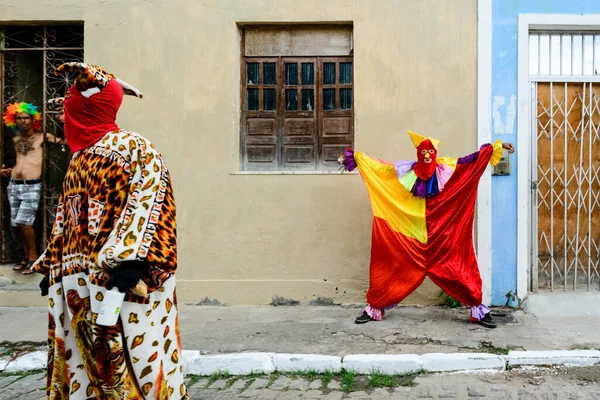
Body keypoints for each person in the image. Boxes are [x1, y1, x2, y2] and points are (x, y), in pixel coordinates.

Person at [30, 62, 187, 399]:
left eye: (70, 101)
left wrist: (130, 266)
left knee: (135, 360)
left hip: (122, 282)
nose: (64, 109)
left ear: (86, 105)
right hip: (78, 282)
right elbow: (68, 216)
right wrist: (53, 265)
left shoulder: (136, 149)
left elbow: (153, 204)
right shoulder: (78, 158)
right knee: (84, 363)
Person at [339, 131, 515, 328]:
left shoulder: (447, 168)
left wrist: (495, 148)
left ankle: (478, 310)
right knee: (389, 270)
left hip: (443, 240)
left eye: (431, 151)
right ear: (417, 153)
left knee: (461, 272)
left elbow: (470, 162)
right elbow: (381, 169)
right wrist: (356, 158)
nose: (427, 156)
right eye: (424, 152)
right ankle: (374, 308)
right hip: (409, 240)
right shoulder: (403, 172)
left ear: (436, 152)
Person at [1, 102, 65, 274]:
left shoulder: (42, 137)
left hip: (32, 186)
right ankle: (24, 257)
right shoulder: (14, 140)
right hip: (13, 185)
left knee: (24, 222)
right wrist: (7, 170)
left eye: (26, 118)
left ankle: (34, 257)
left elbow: (64, 141)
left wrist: (64, 120)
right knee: (17, 223)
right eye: (19, 118)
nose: (23, 121)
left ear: (33, 119)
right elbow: (16, 162)